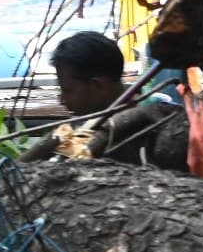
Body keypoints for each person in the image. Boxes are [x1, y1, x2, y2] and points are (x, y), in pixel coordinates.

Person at [24, 31, 180, 167]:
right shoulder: (80, 127)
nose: (62, 100)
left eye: (67, 90)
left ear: (97, 86)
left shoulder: (146, 136)